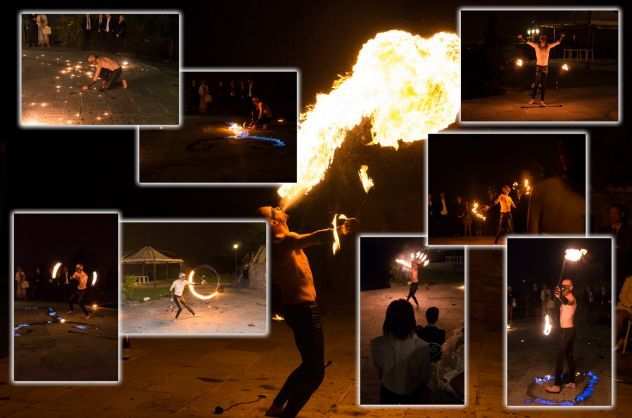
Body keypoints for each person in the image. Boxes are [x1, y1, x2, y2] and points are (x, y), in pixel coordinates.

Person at [258, 205, 352, 418]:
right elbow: (312, 238)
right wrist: (337, 230)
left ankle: (277, 406)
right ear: (274, 222)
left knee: (309, 365)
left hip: (300, 309)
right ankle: (287, 413)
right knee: (316, 372)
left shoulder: (283, 243)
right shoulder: (283, 241)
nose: (279, 207)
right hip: (303, 310)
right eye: (274, 210)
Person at [371, 299, 431, 404]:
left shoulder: (376, 344)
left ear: (388, 319)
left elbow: (380, 373)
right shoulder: (423, 346)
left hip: (387, 392)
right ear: (411, 320)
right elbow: (424, 378)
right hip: (413, 394)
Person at [545, 278, 577, 393]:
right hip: (567, 331)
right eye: (563, 285)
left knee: (560, 357)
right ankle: (572, 382)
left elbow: (566, 301)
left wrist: (558, 296)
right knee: (569, 356)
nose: (564, 287)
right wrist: (551, 303)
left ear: (571, 288)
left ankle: (557, 385)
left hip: (568, 331)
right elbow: (560, 306)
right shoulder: (563, 298)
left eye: (567, 286)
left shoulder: (571, 298)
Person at [519, 33, 565, 105]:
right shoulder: (536, 46)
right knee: (536, 83)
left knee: (544, 84)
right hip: (539, 67)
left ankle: (542, 101)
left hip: (545, 67)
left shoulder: (548, 46)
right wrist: (521, 38)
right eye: (542, 40)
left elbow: (557, 43)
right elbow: (527, 42)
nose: (543, 41)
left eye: (544, 40)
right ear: (540, 40)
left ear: (545, 41)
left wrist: (561, 37)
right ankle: (532, 99)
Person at [616, 276, 632, 352]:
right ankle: (620, 339)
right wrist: (630, 305)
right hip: (625, 308)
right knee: (619, 316)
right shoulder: (629, 280)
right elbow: (622, 296)